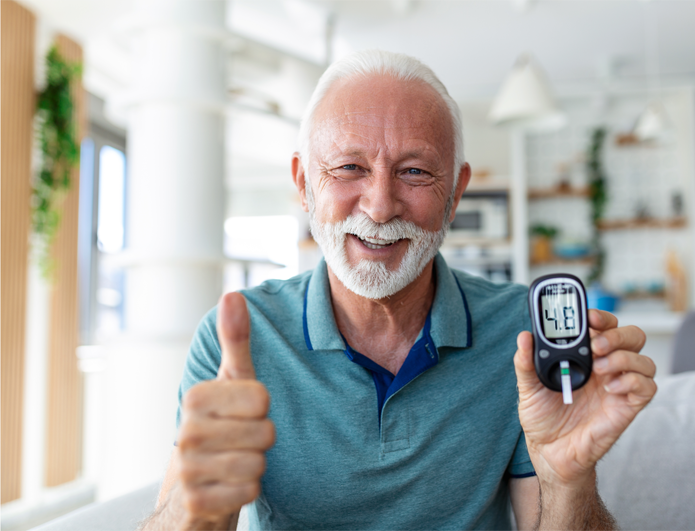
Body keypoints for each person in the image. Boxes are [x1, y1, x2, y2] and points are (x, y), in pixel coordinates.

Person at [140, 50, 655, 531]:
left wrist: (569, 479)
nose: (380, 205)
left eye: (414, 171)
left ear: (454, 195)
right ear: (303, 184)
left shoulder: (521, 336)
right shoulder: (239, 341)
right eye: (349, 167)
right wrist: (197, 500)